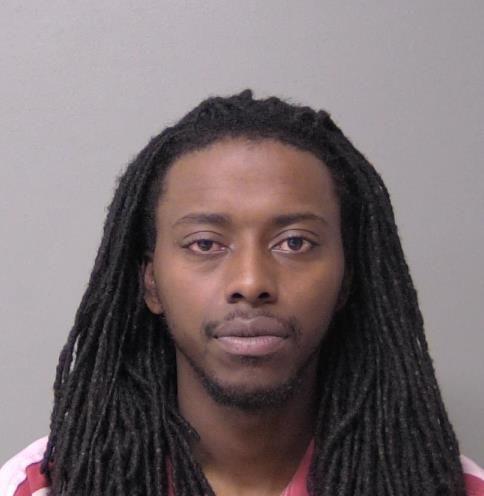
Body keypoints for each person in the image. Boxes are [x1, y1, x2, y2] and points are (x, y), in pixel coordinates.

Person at [0, 90, 483, 496]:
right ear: (151, 283)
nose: (251, 283)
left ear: (347, 280)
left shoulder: (444, 486)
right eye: (205, 244)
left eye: (295, 243)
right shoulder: (48, 487)